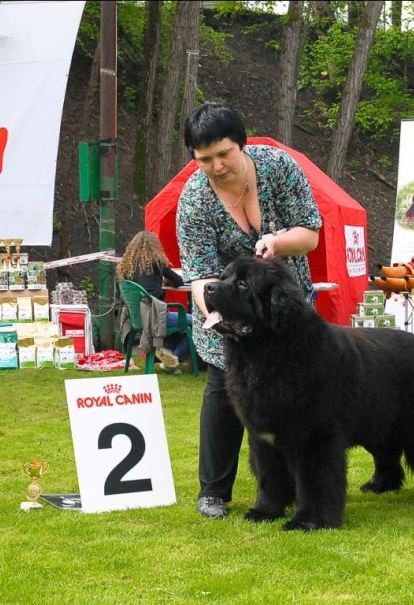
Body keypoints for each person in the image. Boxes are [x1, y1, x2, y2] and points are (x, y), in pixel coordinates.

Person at [176, 101, 322, 519]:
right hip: (221, 312)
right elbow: (201, 274)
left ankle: (298, 486)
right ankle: (213, 492)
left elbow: (310, 233)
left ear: (242, 144)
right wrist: (217, 318)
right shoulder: (194, 203)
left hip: (283, 313)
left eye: (224, 154)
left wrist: (276, 242)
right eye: (204, 159)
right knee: (224, 389)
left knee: (299, 400)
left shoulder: (279, 167)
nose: (217, 166)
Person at [116, 230, 192, 374]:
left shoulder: (126, 267)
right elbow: (179, 281)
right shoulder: (157, 262)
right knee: (197, 323)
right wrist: (165, 280)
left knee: (178, 324)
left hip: (135, 318)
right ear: (155, 247)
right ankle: (174, 358)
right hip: (156, 317)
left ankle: (167, 353)